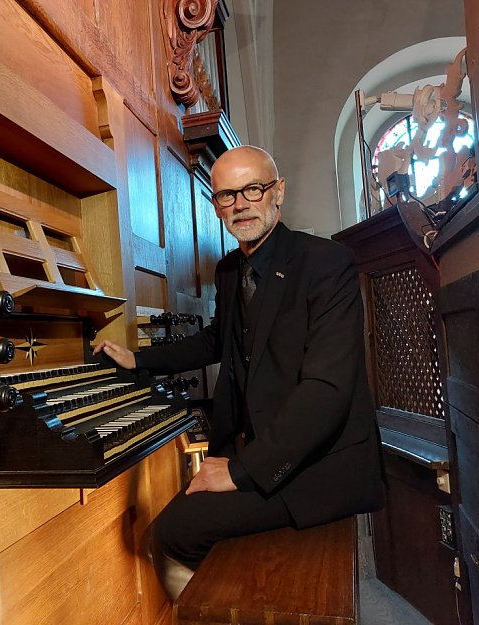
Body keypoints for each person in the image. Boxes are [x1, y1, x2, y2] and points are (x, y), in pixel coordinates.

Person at [93, 145, 384, 599]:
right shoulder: (231, 269)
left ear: (278, 192)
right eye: (226, 195)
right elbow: (217, 339)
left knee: (172, 533)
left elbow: (326, 391)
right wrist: (140, 360)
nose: (240, 204)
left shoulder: (327, 263)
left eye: (252, 189)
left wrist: (242, 472)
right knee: (181, 524)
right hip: (264, 447)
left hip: (323, 463)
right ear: (216, 205)